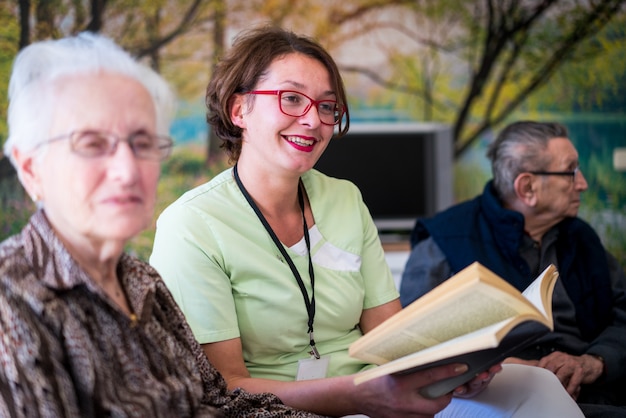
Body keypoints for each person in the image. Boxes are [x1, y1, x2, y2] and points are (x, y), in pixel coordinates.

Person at [150, 26, 583, 418]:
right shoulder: (191, 224)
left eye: (327, 106)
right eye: (292, 98)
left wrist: (457, 367)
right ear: (239, 109)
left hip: (378, 391)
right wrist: (361, 395)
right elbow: (226, 386)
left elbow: (393, 337)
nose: (313, 120)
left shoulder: (344, 198)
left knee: (534, 383)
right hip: (291, 406)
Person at [0, 32, 321, 418]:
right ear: (31, 168)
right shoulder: (12, 302)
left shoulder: (140, 280)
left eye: (142, 142)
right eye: (91, 143)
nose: (126, 169)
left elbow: (217, 401)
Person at [399, 120, 626, 417]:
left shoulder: (583, 239)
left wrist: (594, 362)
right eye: (571, 171)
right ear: (527, 186)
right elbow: (416, 347)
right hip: (493, 397)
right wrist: (513, 369)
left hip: (597, 393)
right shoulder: (444, 241)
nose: (582, 183)